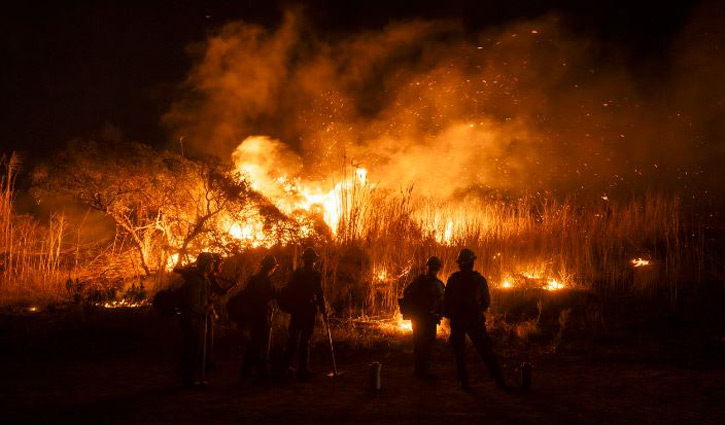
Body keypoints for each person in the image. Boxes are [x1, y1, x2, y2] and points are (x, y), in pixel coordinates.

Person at [443, 248, 506, 391]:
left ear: (459, 264)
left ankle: (464, 383)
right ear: (472, 262)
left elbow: (446, 302)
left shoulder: (453, 279)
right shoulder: (479, 280)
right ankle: (499, 381)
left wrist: (451, 315)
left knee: (460, 354)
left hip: (457, 321)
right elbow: (486, 303)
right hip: (474, 320)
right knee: (485, 351)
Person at [284, 247, 327, 380]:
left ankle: (285, 366)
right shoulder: (315, 274)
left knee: (293, 338)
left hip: (297, 310)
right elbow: (319, 293)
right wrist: (323, 310)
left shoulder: (298, 273)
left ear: (303, 260)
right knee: (305, 339)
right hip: (308, 309)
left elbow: (289, 290)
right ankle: (302, 369)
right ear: (314, 260)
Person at [402, 256, 445, 380]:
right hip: (428, 320)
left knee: (419, 343)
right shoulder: (438, 284)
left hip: (419, 319)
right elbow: (442, 302)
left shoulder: (419, 281)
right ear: (438, 269)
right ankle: (424, 371)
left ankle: (418, 370)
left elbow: (407, 293)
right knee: (427, 344)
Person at [240, 254, 278, 384]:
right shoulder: (266, 281)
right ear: (271, 267)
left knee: (254, 343)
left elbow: (245, 295)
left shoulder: (254, 279)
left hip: (253, 315)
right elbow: (269, 296)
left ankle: (246, 370)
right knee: (262, 344)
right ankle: (261, 373)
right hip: (262, 316)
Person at [178, 252, 214, 388]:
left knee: (197, 348)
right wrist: (205, 310)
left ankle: (194, 377)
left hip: (198, 319)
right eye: (210, 263)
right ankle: (189, 379)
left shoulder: (204, 280)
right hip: (192, 320)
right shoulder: (196, 281)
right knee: (191, 349)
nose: (212, 265)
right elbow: (192, 304)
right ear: (205, 264)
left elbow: (202, 300)